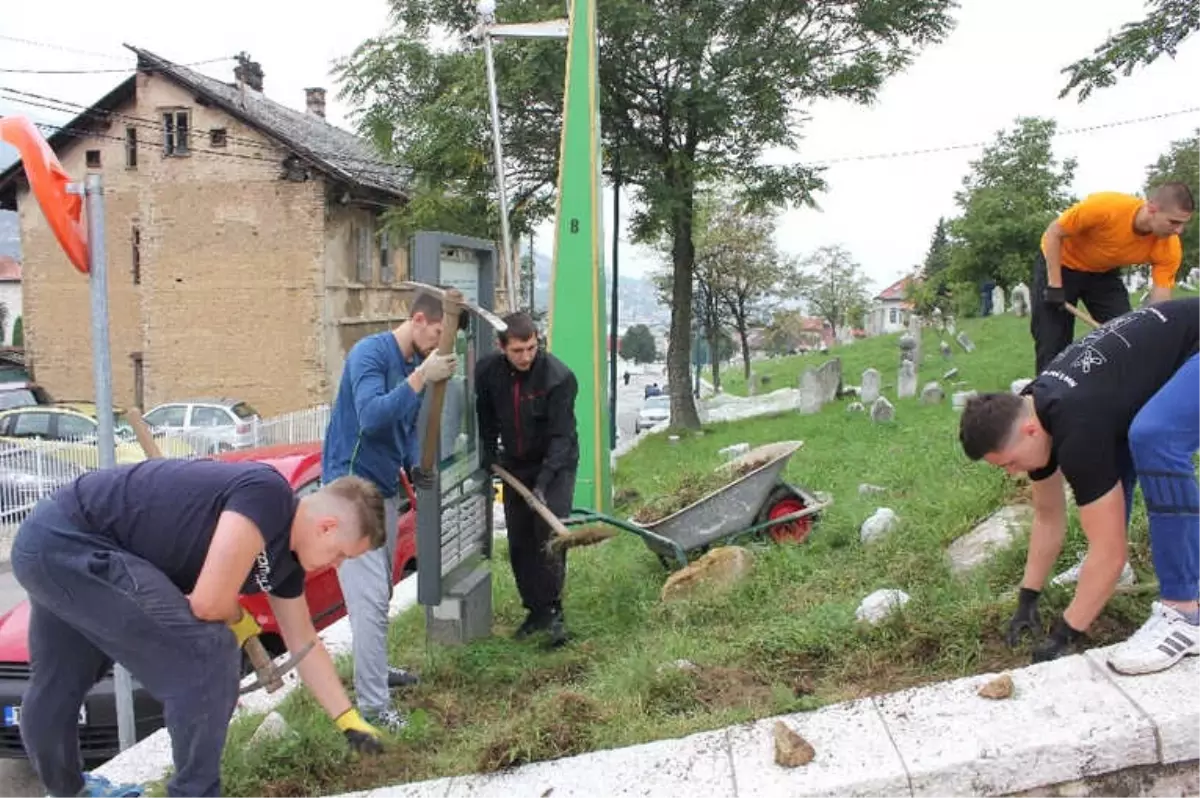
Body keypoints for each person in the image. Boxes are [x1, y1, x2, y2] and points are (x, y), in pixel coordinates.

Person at [11, 458, 388, 798]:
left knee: (59, 682)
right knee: (208, 652)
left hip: (46, 543)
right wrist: (238, 621)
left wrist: (348, 721)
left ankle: (68, 791)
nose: (337, 566)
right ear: (327, 527)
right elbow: (207, 603)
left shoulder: (287, 565)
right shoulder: (268, 495)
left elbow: (304, 641)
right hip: (68, 540)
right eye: (342, 554)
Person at [958, 297, 1200, 674]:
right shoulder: (1038, 408)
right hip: (1177, 353)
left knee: (1155, 437)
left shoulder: (1075, 425)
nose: (1013, 473)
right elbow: (1048, 515)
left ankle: (1184, 614)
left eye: (1010, 463)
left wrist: (1064, 634)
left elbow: (1110, 550)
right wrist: (1028, 598)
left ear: (1029, 430)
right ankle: (1120, 583)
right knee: (1116, 453)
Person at [321, 290, 458, 731]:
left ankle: (376, 675)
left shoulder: (405, 366)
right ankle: (375, 708)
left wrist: (416, 468)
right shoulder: (370, 355)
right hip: (348, 492)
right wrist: (421, 377)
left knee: (380, 594)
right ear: (419, 320)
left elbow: (400, 431)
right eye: (437, 333)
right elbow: (372, 418)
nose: (438, 345)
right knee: (366, 601)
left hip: (381, 492)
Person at [475, 311, 579, 647]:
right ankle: (535, 611)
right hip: (515, 465)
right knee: (520, 540)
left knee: (547, 536)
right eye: (518, 350)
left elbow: (562, 436)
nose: (526, 357)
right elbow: (486, 416)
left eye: (531, 348)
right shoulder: (488, 372)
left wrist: (544, 483)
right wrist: (489, 454)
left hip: (556, 464)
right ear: (502, 347)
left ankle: (554, 613)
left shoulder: (559, 378)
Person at [1031, 182, 1193, 372]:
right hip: (1060, 265)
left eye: (1183, 223)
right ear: (1151, 209)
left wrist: (1154, 333)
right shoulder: (1105, 207)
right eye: (1174, 222)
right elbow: (1053, 233)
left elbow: (1161, 298)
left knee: (1127, 334)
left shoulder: (1169, 246)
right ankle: (1042, 397)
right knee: (1052, 341)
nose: (1179, 230)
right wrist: (1055, 286)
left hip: (1102, 274)